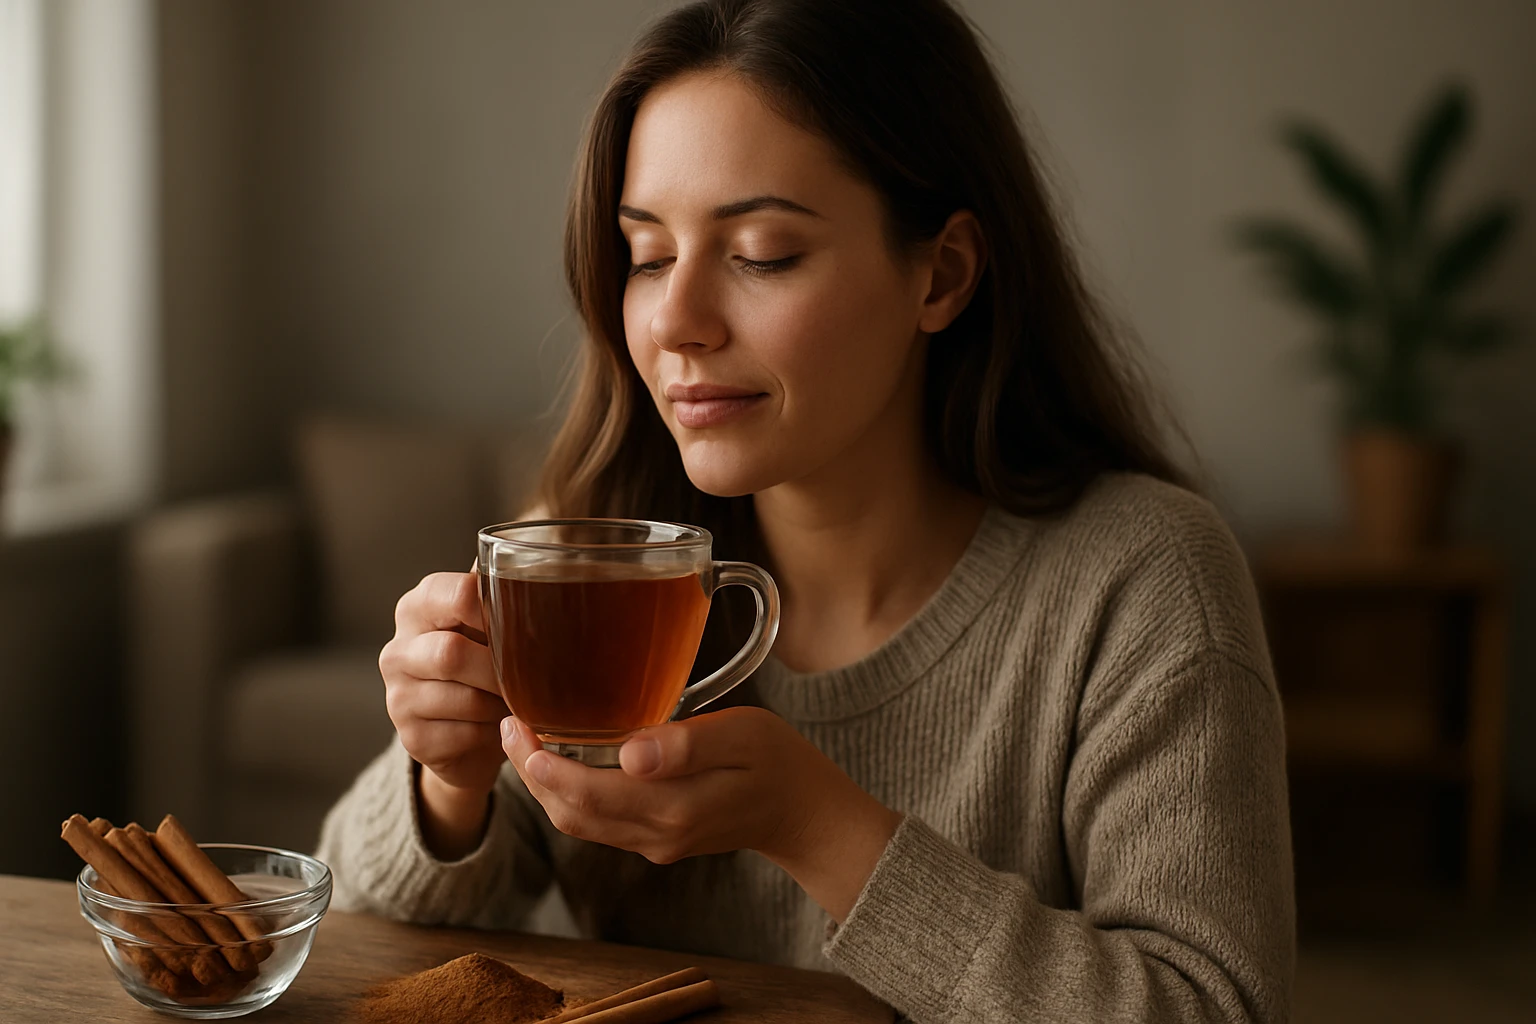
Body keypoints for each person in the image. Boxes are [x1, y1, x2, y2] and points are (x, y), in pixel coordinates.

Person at [317, 1, 1295, 1020]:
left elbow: (1210, 1008)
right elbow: (352, 937)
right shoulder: (603, 551)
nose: (677, 322)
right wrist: (445, 780)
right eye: (647, 255)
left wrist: (821, 828)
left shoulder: (1144, 579)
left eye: (764, 252)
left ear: (943, 272)